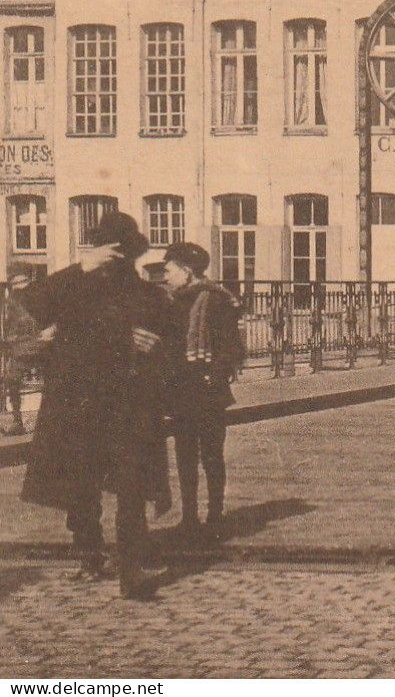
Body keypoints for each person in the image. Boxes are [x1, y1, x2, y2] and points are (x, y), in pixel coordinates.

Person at [18, 212, 171, 598]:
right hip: (80, 405)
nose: (114, 265)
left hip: (126, 406)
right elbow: (33, 303)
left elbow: (170, 348)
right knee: (80, 485)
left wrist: (156, 348)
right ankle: (89, 554)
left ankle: (131, 568)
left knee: (132, 486)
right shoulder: (76, 290)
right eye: (108, 256)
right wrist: (81, 267)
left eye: (122, 256)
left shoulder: (150, 295)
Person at [159, 242, 243, 542]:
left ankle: (215, 515)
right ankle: (190, 516)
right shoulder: (171, 301)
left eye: (169, 270)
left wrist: (213, 379)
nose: (165, 276)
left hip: (206, 391)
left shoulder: (215, 301)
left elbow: (230, 347)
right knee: (184, 455)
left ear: (186, 270)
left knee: (211, 454)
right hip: (181, 391)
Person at [2, 265, 52, 437]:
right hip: (22, 348)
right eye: (13, 283)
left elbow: (54, 318)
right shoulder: (11, 301)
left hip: (42, 346)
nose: (16, 287)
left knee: (53, 382)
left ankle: (49, 422)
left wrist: (50, 330)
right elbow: (9, 325)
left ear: (27, 280)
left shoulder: (40, 296)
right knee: (11, 380)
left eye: (20, 282)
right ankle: (17, 422)